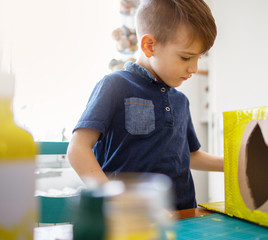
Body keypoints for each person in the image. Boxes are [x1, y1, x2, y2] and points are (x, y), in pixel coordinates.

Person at [67, 0, 223, 210]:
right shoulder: (115, 85)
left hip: (183, 215)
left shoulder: (180, 100)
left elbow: (191, 156)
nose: (194, 68)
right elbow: (78, 149)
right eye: (186, 57)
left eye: (199, 58)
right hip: (132, 219)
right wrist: (114, 201)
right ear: (149, 45)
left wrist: (233, 163)